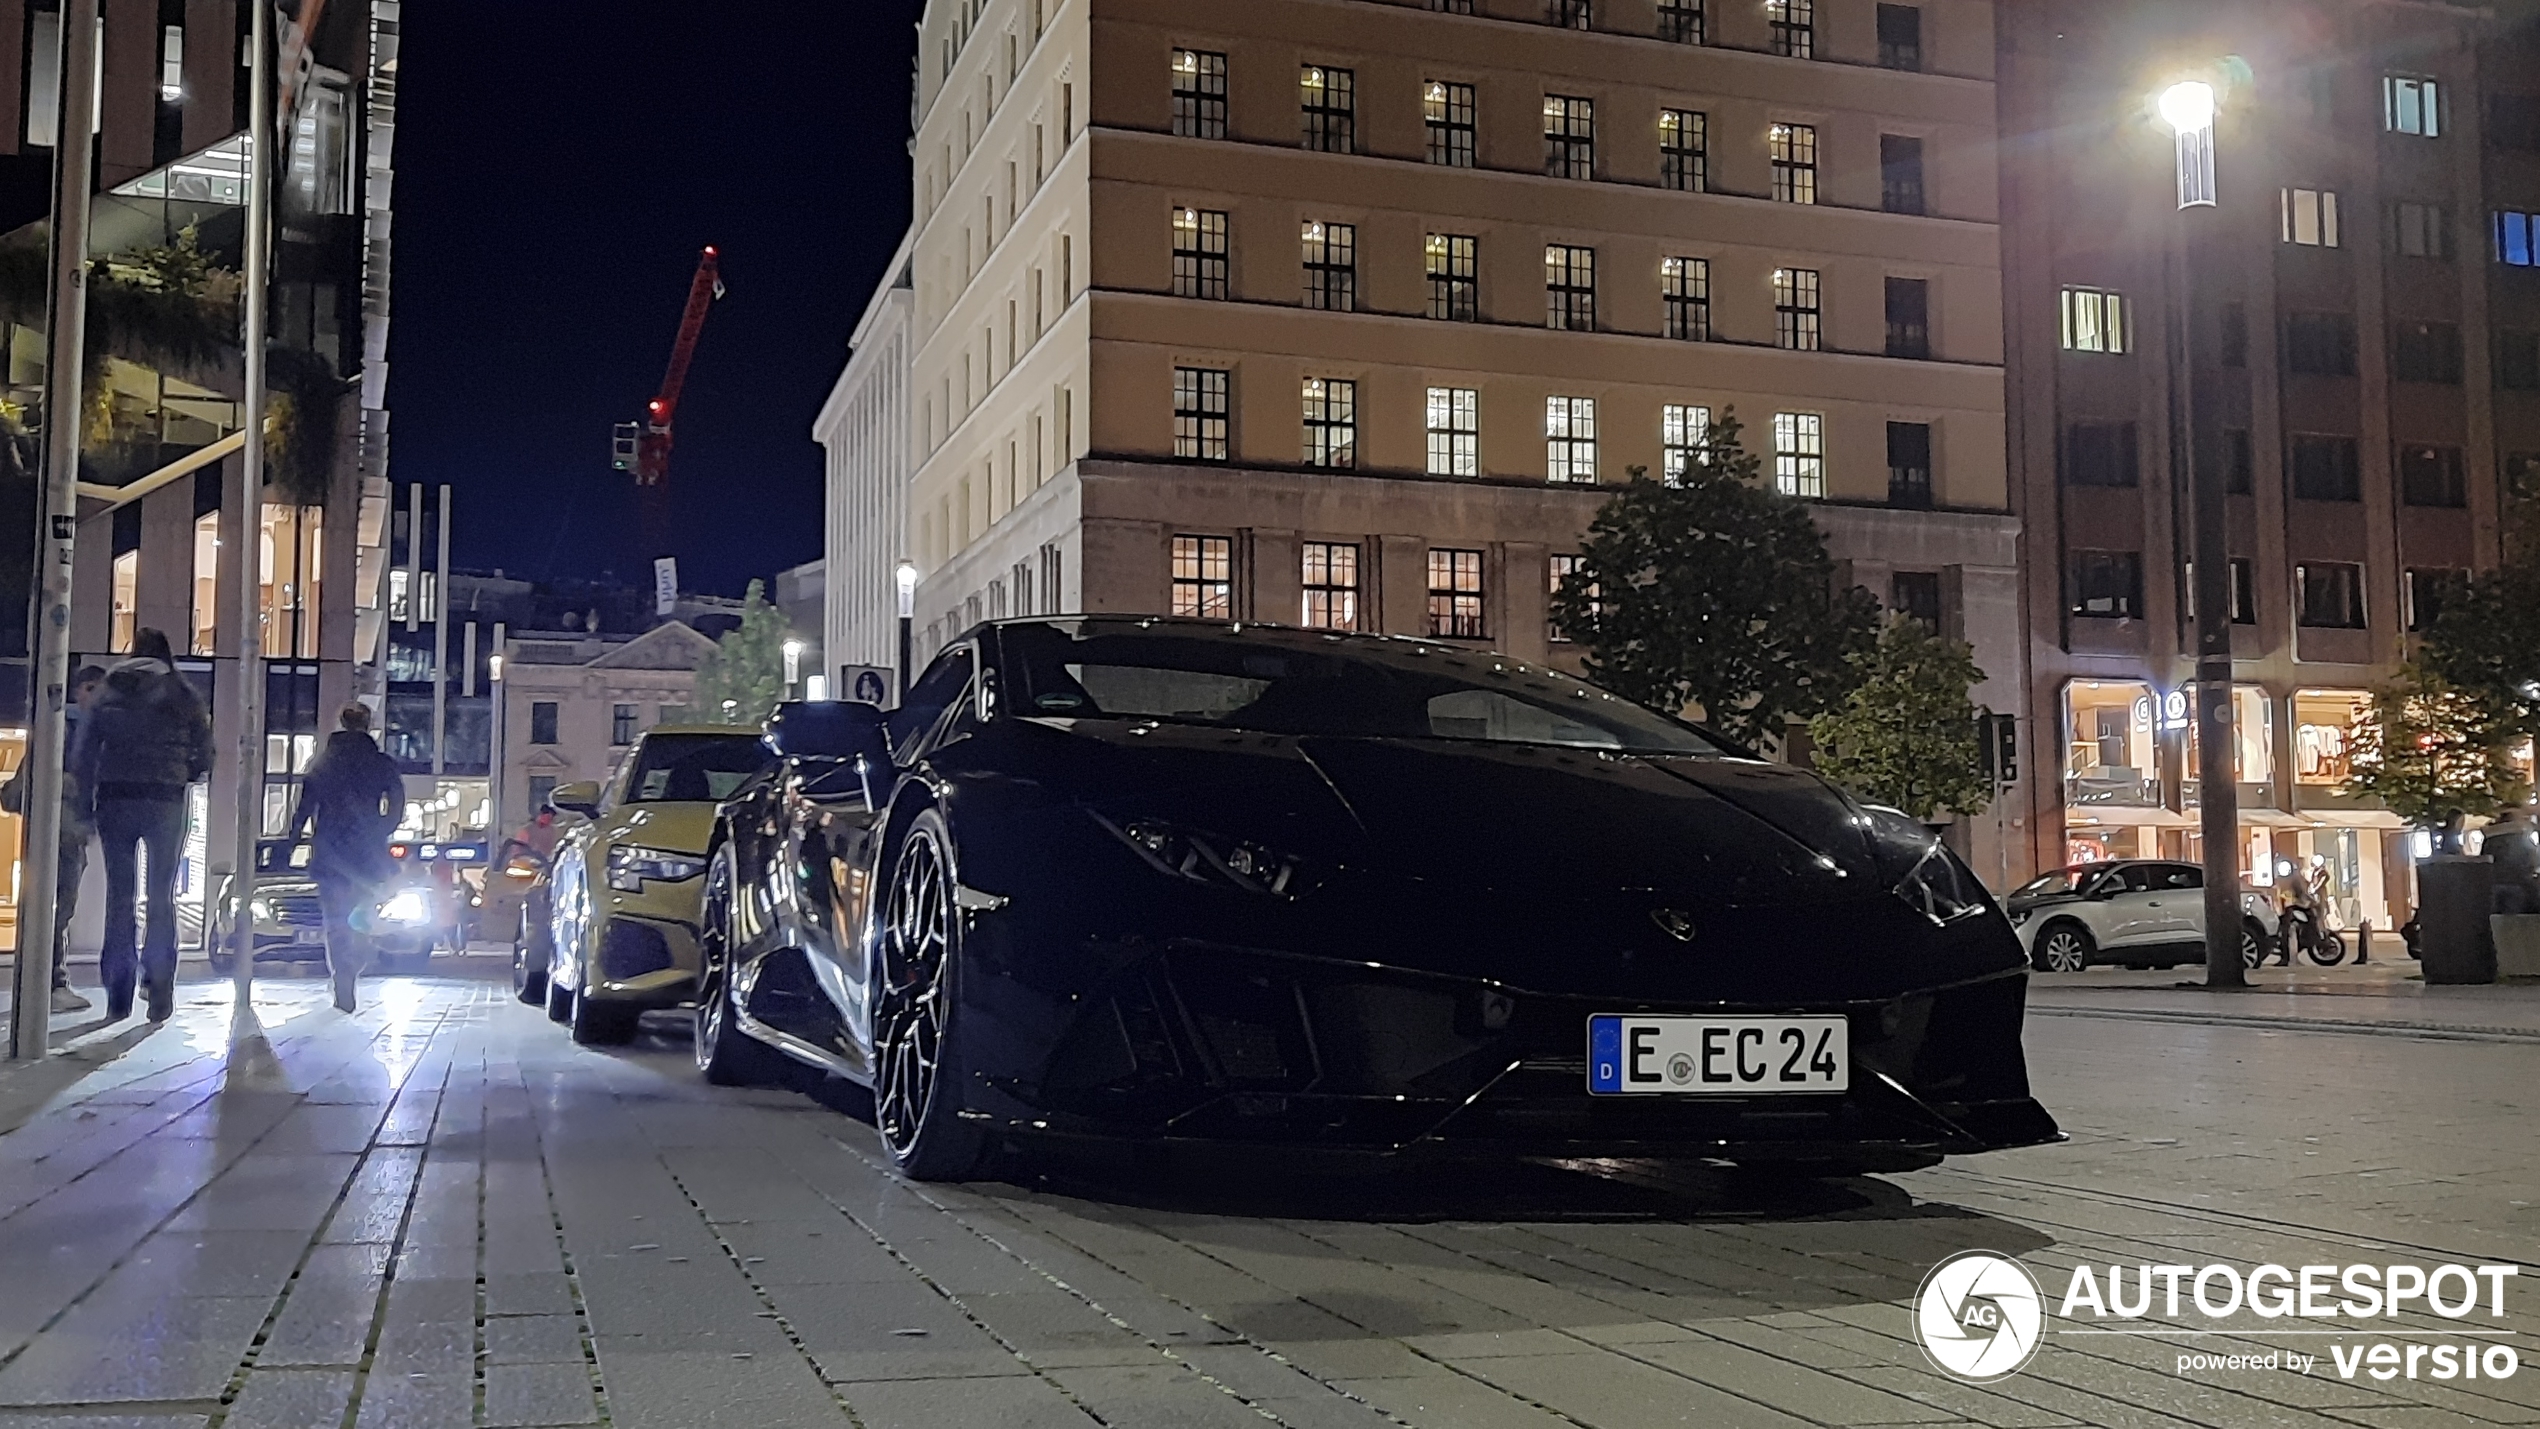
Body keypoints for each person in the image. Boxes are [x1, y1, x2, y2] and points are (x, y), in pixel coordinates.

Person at [74, 632, 212, 1022]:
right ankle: (160, 989)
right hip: (165, 800)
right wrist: (188, 772)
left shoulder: (107, 690)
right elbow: (206, 749)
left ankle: (118, 993)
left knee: (120, 896)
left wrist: (86, 806)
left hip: (115, 799)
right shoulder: (181, 691)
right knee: (160, 897)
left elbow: (84, 752)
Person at [1, 666, 105, 1013]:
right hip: (62, 832)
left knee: (52, 907)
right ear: (80, 690)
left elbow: (19, 789)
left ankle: (44, 981)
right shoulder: (75, 732)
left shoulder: (62, 731)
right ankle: (51, 983)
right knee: (57, 907)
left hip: (56, 831)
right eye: (93, 689)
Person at [287, 703, 404, 1013]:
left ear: (341, 722)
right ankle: (355, 962)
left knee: (335, 919)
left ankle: (343, 975)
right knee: (364, 914)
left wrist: (293, 841)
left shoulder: (324, 762)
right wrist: (382, 828)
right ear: (368, 724)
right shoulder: (380, 763)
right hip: (367, 853)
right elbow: (397, 803)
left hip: (330, 851)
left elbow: (304, 808)